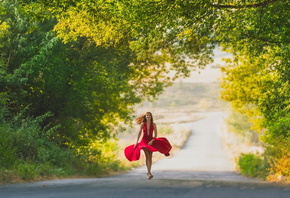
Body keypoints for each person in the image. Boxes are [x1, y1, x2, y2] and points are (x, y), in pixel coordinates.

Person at [124, 112, 172, 179]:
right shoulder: (143, 124)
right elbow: (139, 133)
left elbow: (155, 135)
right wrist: (136, 142)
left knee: (150, 157)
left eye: (149, 115)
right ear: (145, 116)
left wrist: (152, 141)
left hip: (151, 141)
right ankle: (149, 173)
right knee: (147, 156)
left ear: (151, 116)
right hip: (144, 141)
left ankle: (149, 172)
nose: (148, 116)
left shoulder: (154, 124)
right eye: (147, 115)